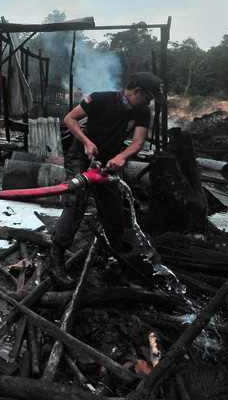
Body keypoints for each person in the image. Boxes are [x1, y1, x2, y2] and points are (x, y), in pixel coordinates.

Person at [47, 71, 166, 287]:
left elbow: (138, 142)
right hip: (80, 158)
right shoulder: (101, 99)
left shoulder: (141, 112)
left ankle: (115, 261)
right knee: (75, 205)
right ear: (137, 91)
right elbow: (69, 119)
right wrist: (85, 141)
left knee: (113, 211)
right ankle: (55, 258)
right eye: (148, 97)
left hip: (107, 164)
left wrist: (121, 156)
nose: (148, 102)